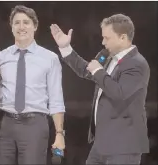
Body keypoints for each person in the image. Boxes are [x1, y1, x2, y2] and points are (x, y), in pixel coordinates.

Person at [50, 13, 150, 164]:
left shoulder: (137, 64)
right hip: (101, 143)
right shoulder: (107, 56)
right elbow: (87, 70)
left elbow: (120, 93)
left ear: (122, 37)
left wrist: (99, 71)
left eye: (107, 38)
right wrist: (66, 48)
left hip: (124, 145)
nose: (103, 42)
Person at [0, 5, 66, 164]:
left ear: (35, 26)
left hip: (35, 125)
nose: (21, 27)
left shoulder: (50, 58)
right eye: (16, 23)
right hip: (7, 124)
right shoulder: (0, 57)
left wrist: (59, 133)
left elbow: (56, 97)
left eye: (26, 22)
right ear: (11, 27)